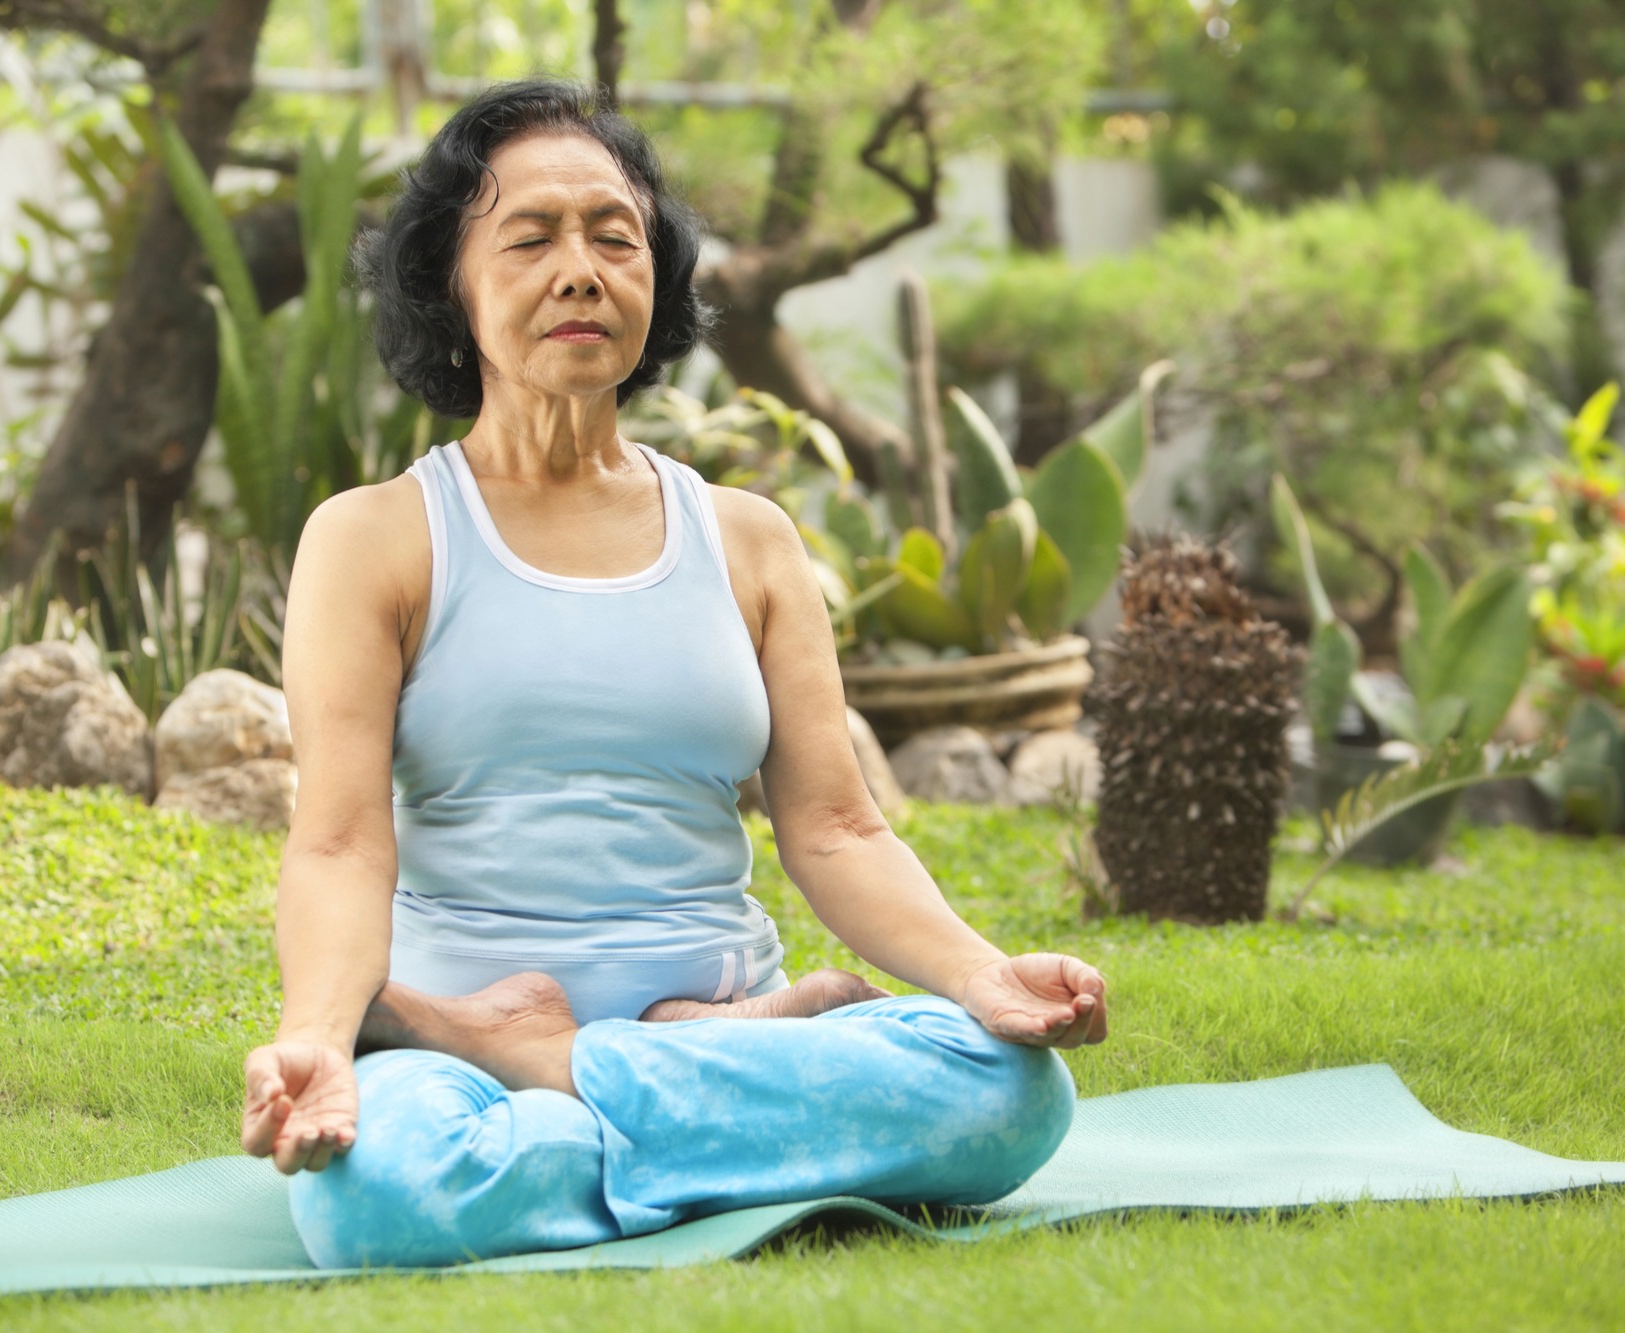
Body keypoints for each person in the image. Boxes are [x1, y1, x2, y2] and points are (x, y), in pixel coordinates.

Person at [238, 79, 1108, 1269]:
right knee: (379, 1196)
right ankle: (562, 1070)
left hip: (722, 1024)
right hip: (466, 1051)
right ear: (451, 279)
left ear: (659, 275)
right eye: (531, 237)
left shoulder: (745, 539)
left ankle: (560, 1070)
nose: (582, 269)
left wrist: (980, 974)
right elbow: (338, 844)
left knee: (1013, 1090)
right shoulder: (377, 537)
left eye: (615, 236)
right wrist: (322, 1039)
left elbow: (840, 829)